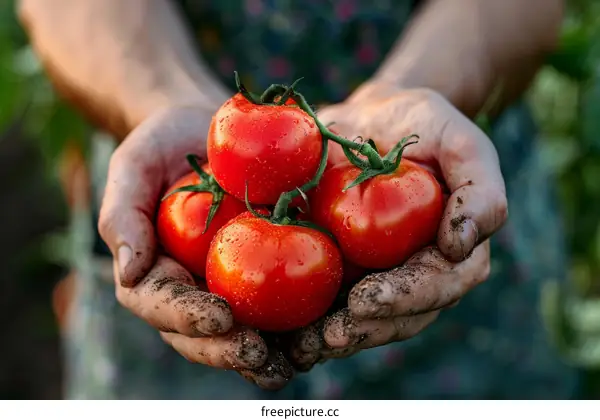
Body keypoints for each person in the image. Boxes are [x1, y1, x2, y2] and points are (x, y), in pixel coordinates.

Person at [18, 0, 579, 399]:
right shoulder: (220, 188)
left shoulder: (383, 179)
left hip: (467, 306)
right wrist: (159, 97)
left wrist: (414, 89)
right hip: (169, 323)